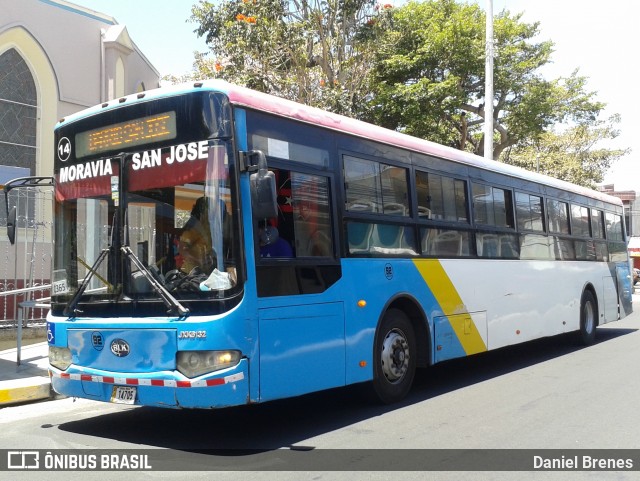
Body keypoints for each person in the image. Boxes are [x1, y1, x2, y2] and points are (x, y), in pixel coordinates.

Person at [178, 197, 213, 274]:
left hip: (205, 270)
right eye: (209, 210)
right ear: (202, 212)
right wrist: (197, 260)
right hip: (191, 272)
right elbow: (182, 249)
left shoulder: (209, 227)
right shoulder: (194, 227)